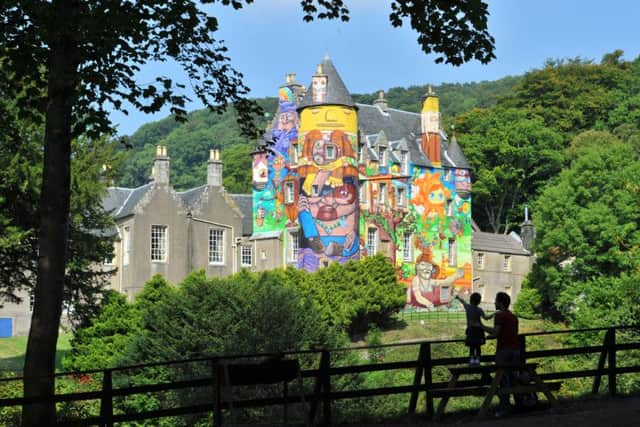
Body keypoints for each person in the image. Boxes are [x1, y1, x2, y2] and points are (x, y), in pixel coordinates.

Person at [483, 291, 520, 417]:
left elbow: (496, 333)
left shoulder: (500, 316)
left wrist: (481, 327)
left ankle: (505, 408)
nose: (494, 302)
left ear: (500, 302)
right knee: (514, 378)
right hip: (515, 351)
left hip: (504, 350)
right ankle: (519, 404)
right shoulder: (513, 317)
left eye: (496, 300)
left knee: (503, 379)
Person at [455, 292, 494, 365]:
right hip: (479, 330)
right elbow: (486, 318)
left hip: (471, 330)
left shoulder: (468, 307)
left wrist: (458, 297)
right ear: (479, 301)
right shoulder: (479, 309)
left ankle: (472, 360)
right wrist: (494, 313)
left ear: (470, 299)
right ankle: (478, 360)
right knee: (478, 347)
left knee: (472, 347)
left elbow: (463, 301)